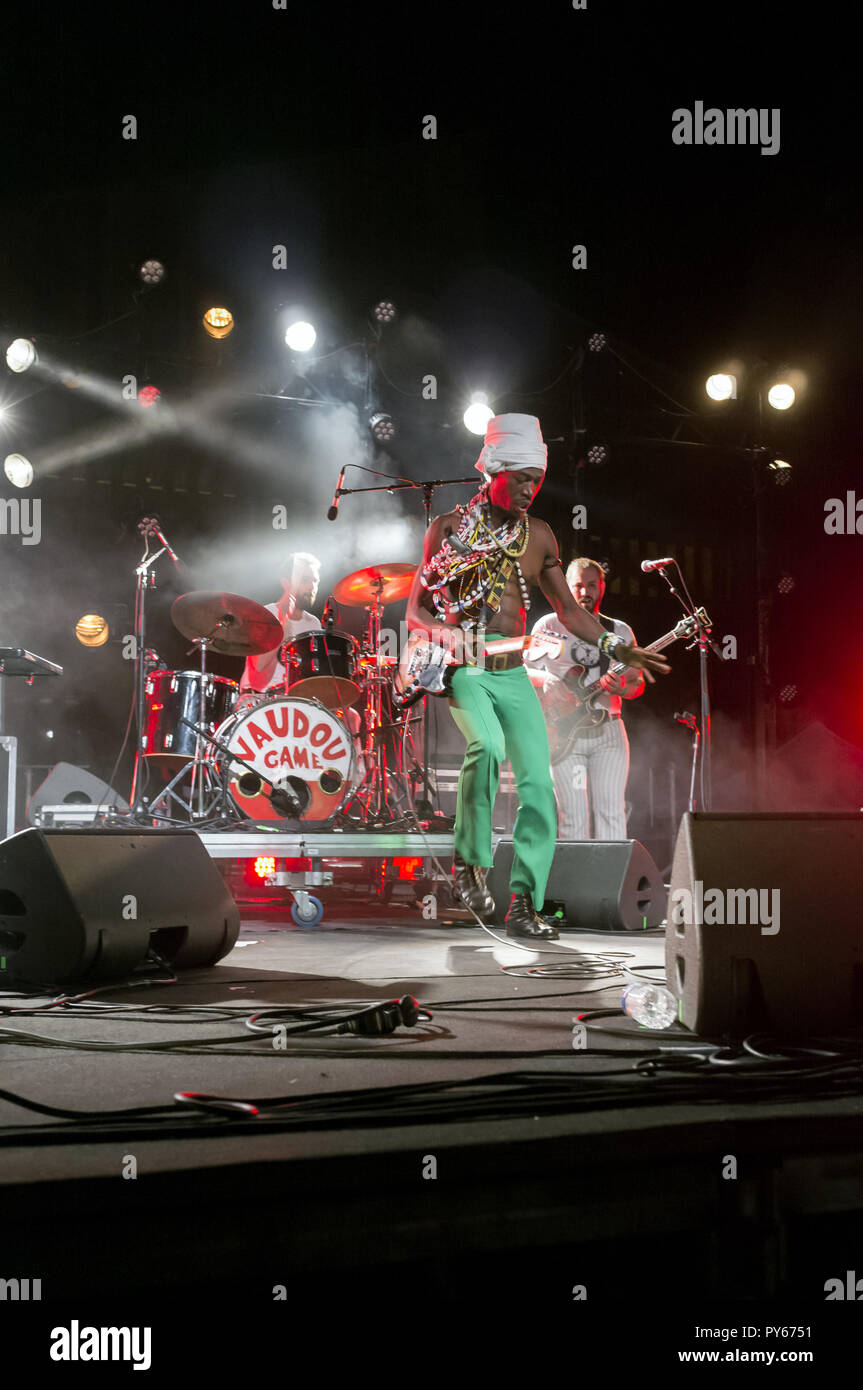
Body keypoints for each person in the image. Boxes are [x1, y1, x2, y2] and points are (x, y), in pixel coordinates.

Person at [405, 413, 670, 939]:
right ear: (495, 471)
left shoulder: (540, 536)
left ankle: (525, 903)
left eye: (537, 479)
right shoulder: (449, 530)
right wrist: (444, 633)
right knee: (487, 748)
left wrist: (619, 646)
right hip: (468, 672)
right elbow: (415, 612)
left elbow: (570, 612)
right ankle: (471, 868)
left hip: (513, 675)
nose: (531, 489)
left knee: (538, 789)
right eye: (522, 477)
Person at [525, 558, 644, 839]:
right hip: (562, 733)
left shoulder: (619, 632)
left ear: (602, 587)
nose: (584, 592)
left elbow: (637, 685)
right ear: (566, 587)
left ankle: (610, 882)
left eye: (592, 585)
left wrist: (621, 689)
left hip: (609, 731)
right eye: (578, 586)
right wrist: (547, 679)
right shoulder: (549, 625)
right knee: (572, 820)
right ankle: (575, 882)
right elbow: (522, 671)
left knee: (611, 814)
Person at [239, 552, 322, 703]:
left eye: (315, 581)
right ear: (286, 583)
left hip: (295, 700)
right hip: (258, 699)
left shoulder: (314, 623)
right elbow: (259, 667)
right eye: (305, 580)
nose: (312, 586)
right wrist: (282, 621)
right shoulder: (264, 614)